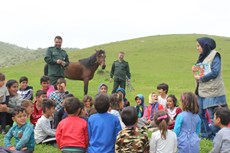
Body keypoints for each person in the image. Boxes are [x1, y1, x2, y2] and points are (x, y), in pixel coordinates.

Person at [192, 37, 227, 140]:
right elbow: (200, 73)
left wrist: (201, 78)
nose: (197, 48)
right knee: (199, 114)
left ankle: (217, 137)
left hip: (213, 91)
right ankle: (206, 135)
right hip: (201, 91)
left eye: (198, 45)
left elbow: (215, 72)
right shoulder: (202, 57)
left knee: (213, 116)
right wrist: (195, 70)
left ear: (205, 45)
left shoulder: (215, 55)